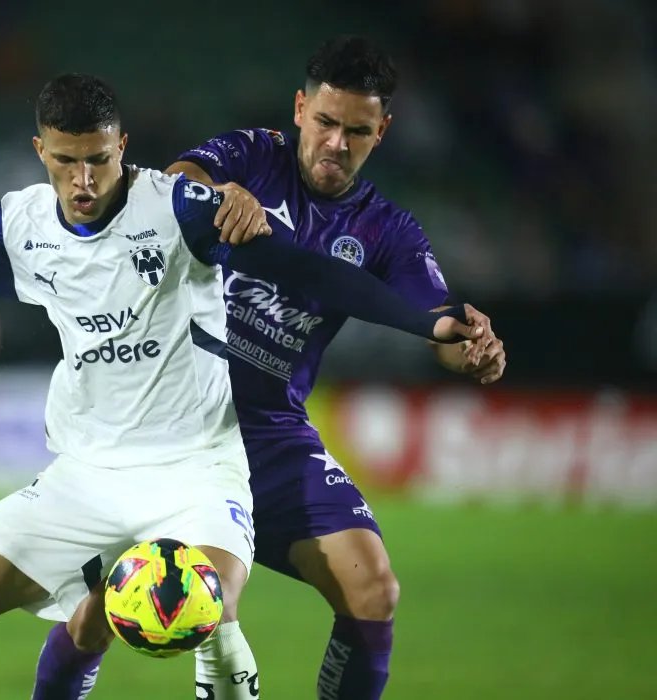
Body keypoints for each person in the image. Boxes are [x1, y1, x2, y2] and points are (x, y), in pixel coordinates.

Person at [0, 73, 487, 700]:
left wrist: (429, 325)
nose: (85, 180)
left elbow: (308, 271)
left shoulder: (177, 209)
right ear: (41, 151)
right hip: (86, 474)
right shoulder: (17, 226)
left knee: (210, 610)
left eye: (99, 159)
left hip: (196, 466)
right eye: (66, 162)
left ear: (122, 146)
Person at [33, 35, 508, 700]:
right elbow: (174, 185)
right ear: (299, 110)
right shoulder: (254, 155)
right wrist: (222, 194)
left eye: (358, 131)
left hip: (271, 430)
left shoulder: (389, 232)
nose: (337, 143)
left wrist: (472, 345)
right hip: (165, 418)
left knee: (372, 588)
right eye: (326, 122)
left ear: (383, 131)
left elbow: (436, 322)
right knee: (100, 614)